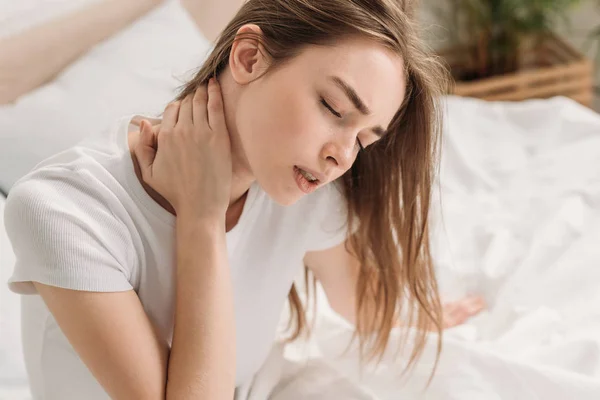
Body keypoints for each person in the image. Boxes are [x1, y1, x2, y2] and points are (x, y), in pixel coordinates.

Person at [4, 0, 486, 399]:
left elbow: (358, 298)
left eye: (364, 140)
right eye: (333, 108)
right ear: (250, 57)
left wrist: (425, 310)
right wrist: (203, 216)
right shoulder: (63, 211)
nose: (341, 156)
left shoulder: (303, 189)